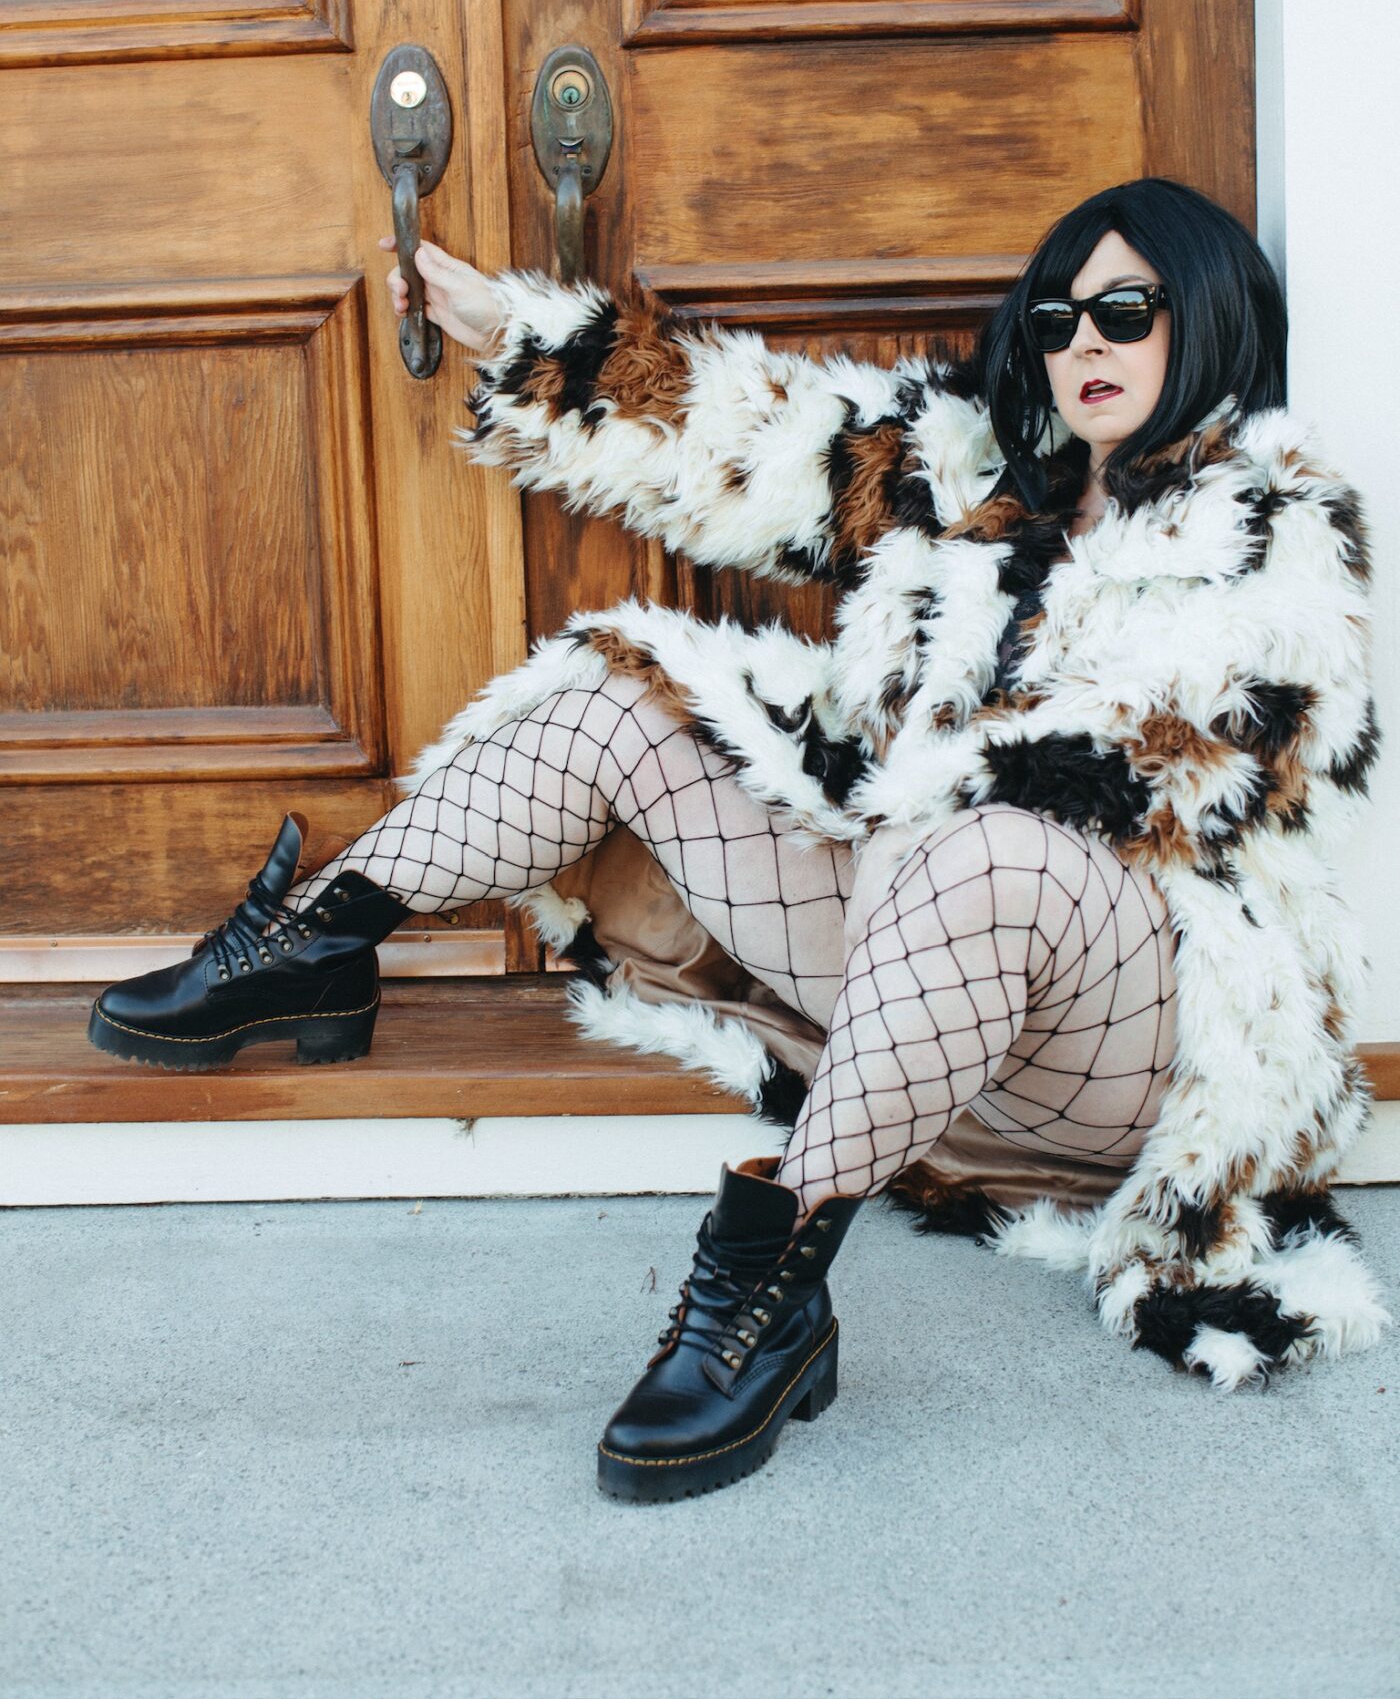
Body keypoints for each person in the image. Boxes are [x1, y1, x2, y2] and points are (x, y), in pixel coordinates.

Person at [90, 178, 1388, 1497]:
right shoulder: (969, 483)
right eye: (1058, 320)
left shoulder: (1276, 527)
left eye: (1125, 310)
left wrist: (926, 802)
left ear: (1206, 314)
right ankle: (315, 945)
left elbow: (1191, 764)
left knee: (985, 843)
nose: (1085, 344)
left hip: (1132, 1046)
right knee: (625, 701)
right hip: (920, 1002)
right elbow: (746, 434)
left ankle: (764, 1289)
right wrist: (520, 334)